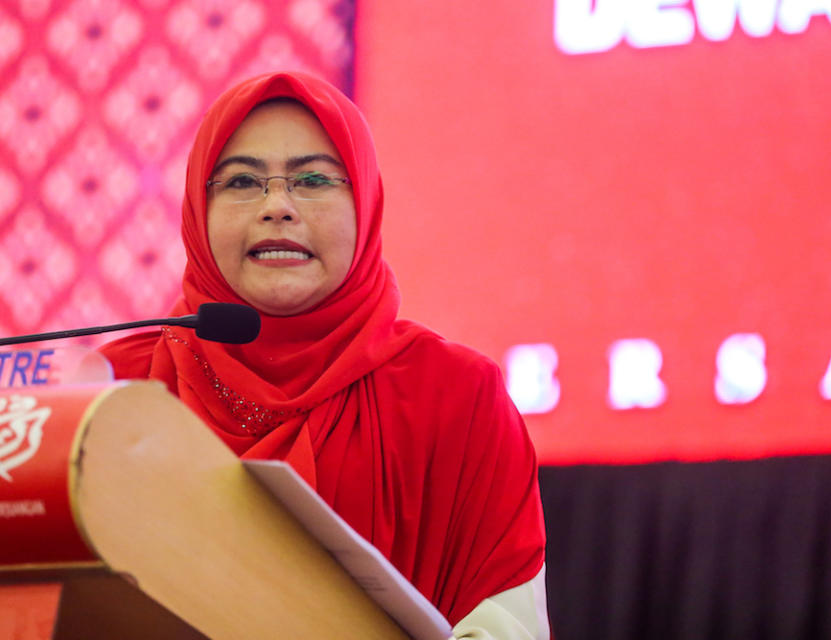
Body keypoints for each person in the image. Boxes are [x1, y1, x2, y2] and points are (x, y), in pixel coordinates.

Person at [100, 71, 549, 639]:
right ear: (196, 206)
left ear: (364, 203)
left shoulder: (457, 397)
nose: (279, 207)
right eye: (242, 182)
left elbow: (505, 625)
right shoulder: (115, 392)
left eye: (313, 179)